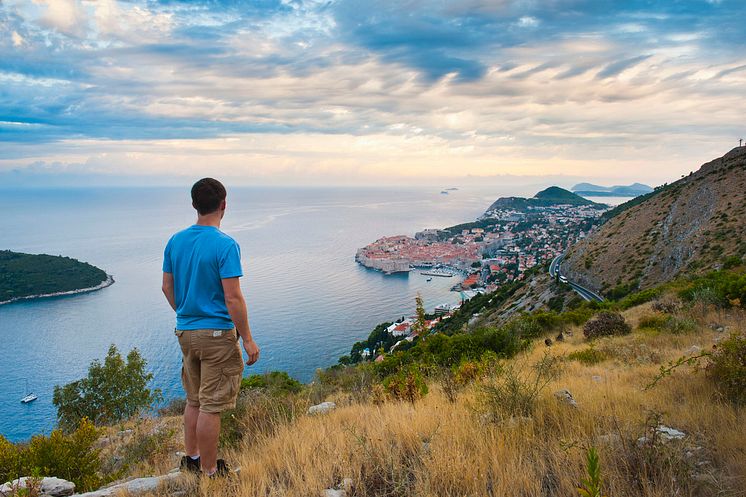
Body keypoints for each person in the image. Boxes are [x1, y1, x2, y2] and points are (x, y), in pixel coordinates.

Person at [161, 178, 260, 477]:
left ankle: (191, 459)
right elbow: (232, 297)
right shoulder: (226, 245)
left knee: (194, 399)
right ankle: (209, 473)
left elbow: (167, 287)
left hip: (185, 332)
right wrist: (248, 339)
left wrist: (187, 313)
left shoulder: (175, 241)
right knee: (211, 405)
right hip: (216, 335)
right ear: (223, 205)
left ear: (194, 204)